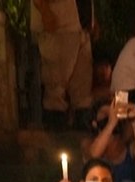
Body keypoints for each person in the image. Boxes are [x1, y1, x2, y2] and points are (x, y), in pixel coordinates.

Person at [33, 0, 95, 129]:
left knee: (82, 87)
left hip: (80, 26)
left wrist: (91, 18)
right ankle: (55, 136)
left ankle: (82, 134)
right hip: (59, 25)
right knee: (56, 85)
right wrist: (44, 10)